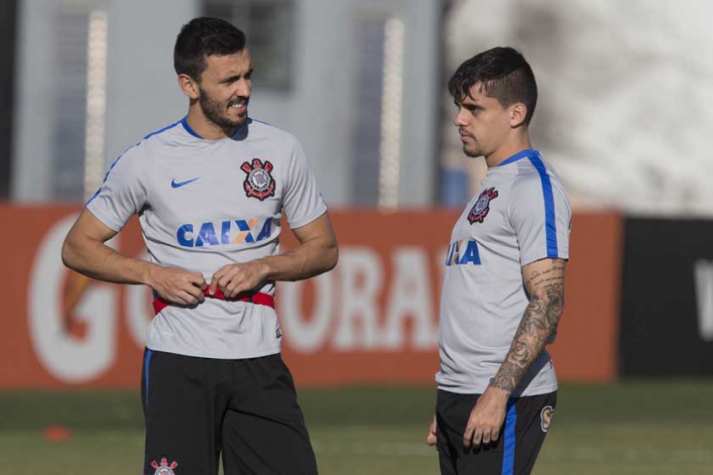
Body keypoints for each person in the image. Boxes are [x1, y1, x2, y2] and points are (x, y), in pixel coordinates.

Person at [62, 17, 337, 475]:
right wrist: (153, 274)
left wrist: (264, 267)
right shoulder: (147, 160)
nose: (244, 90)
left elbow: (324, 248)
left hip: (259, 360)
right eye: (229, 80)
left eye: (247, 75)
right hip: (179, 363)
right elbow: (77, 247)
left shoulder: (281, 149)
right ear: (189, 85)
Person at [426, 47, 571, 474]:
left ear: (515, 113)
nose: (459, 119)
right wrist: (452, 397)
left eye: (474, 109)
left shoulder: (533, 186)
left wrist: (497, 392)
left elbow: (548, 301)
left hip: (503, 398)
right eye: (459, 107)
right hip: (460, 393)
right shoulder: (494, 184)